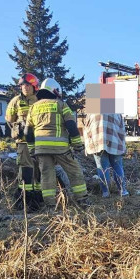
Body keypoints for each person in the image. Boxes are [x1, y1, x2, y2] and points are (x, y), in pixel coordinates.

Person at [25, 79, 89, 207]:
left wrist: (32, 149)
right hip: (60, 148)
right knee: (74, 171)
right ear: (55, 90)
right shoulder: (60, 104)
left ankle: (50, 205)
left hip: (41, 149)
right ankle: (82, 200)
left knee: (46, 175)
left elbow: (28, 132)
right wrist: (77, 145)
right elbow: (71, 125)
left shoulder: (33, 108)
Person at [5, 72, 41, 208]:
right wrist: (17, 129)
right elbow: (9, 119)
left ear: (34, 86)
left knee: (38, 168)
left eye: (28, 85)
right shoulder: (15, 101)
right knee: (26, 168)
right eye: (23, 85)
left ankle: (38, 196)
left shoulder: (39, 100)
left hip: (39, 141)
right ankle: (25, 199)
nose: (25, 87)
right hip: (24, 141)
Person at [83, 111, 130, 197]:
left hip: (97, 144)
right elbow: (122, 131)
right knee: (117, 167)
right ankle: (122, 191)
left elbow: (86, 129)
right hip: (115, 144)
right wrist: (123, 146)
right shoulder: (116, 112)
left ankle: (105, 192)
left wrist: (88, 145)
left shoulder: (91, 112)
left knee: (102, 168)